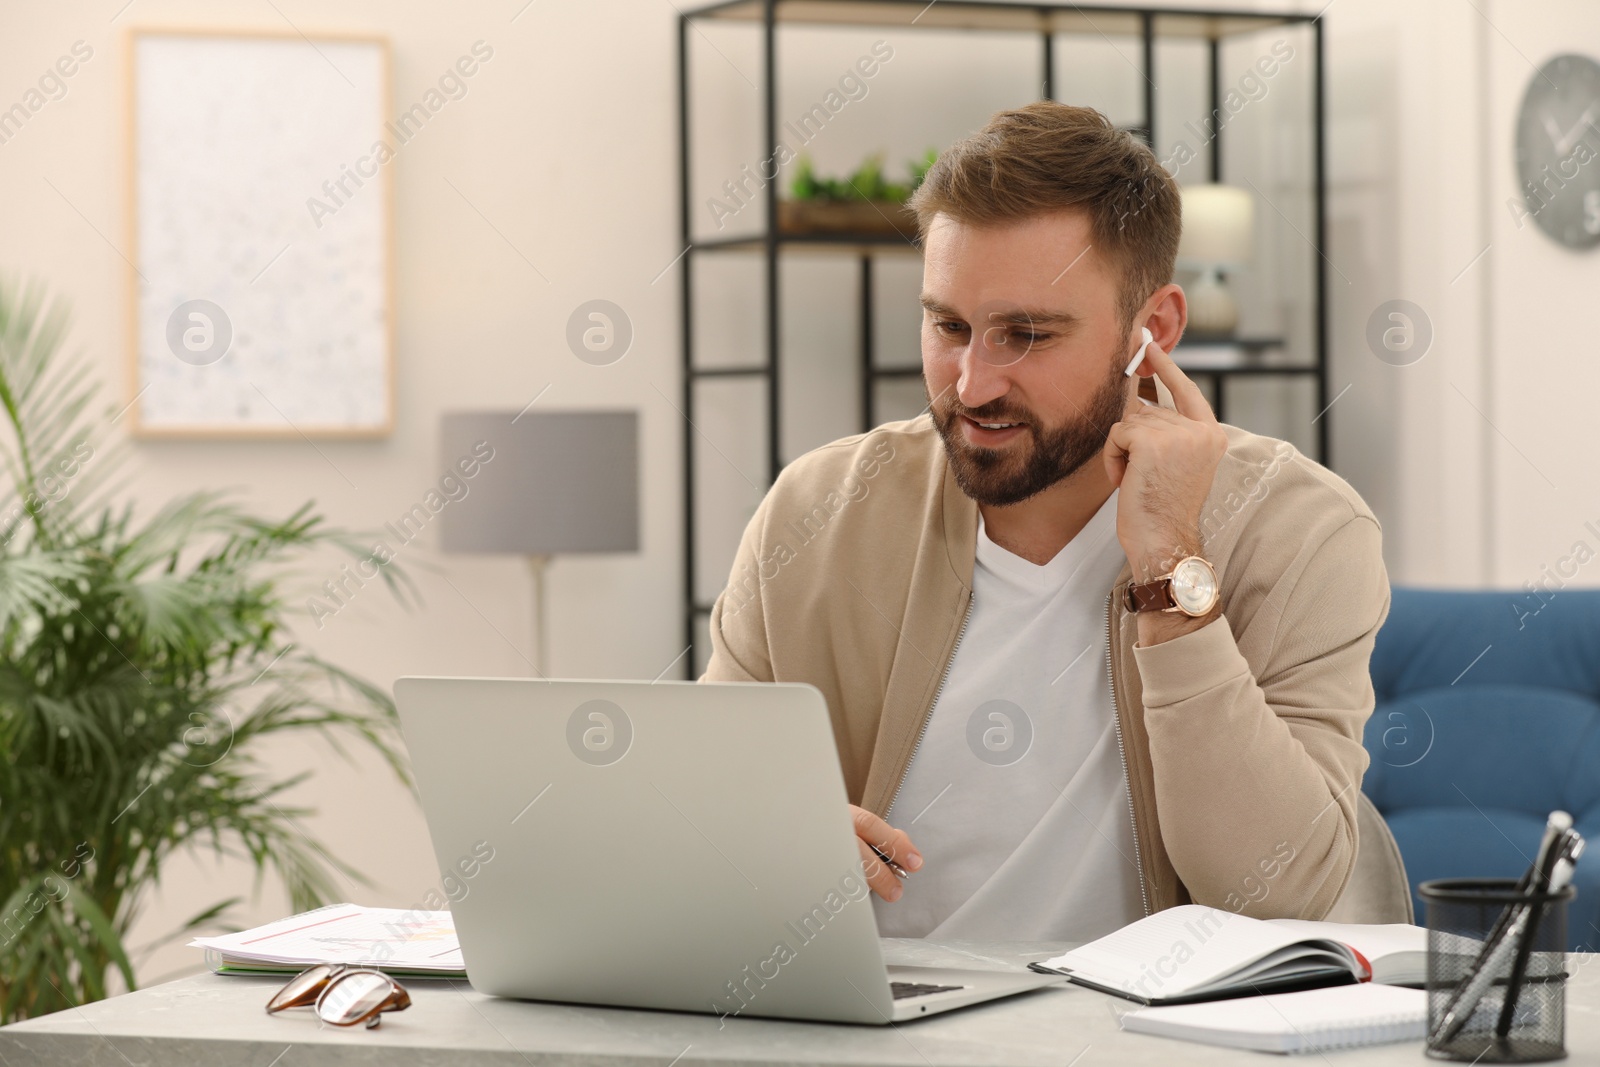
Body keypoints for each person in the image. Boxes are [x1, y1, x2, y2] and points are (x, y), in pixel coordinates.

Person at [699, 102, 1389, 941]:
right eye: (948, 326)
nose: (974, 382)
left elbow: (1276, 893)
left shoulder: (1304, 532)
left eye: (1025, 335)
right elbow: (710, 808)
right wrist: (766, 838)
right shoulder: (815, 514)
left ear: (1153, 331)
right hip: (872, 1030)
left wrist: (1171, 566)